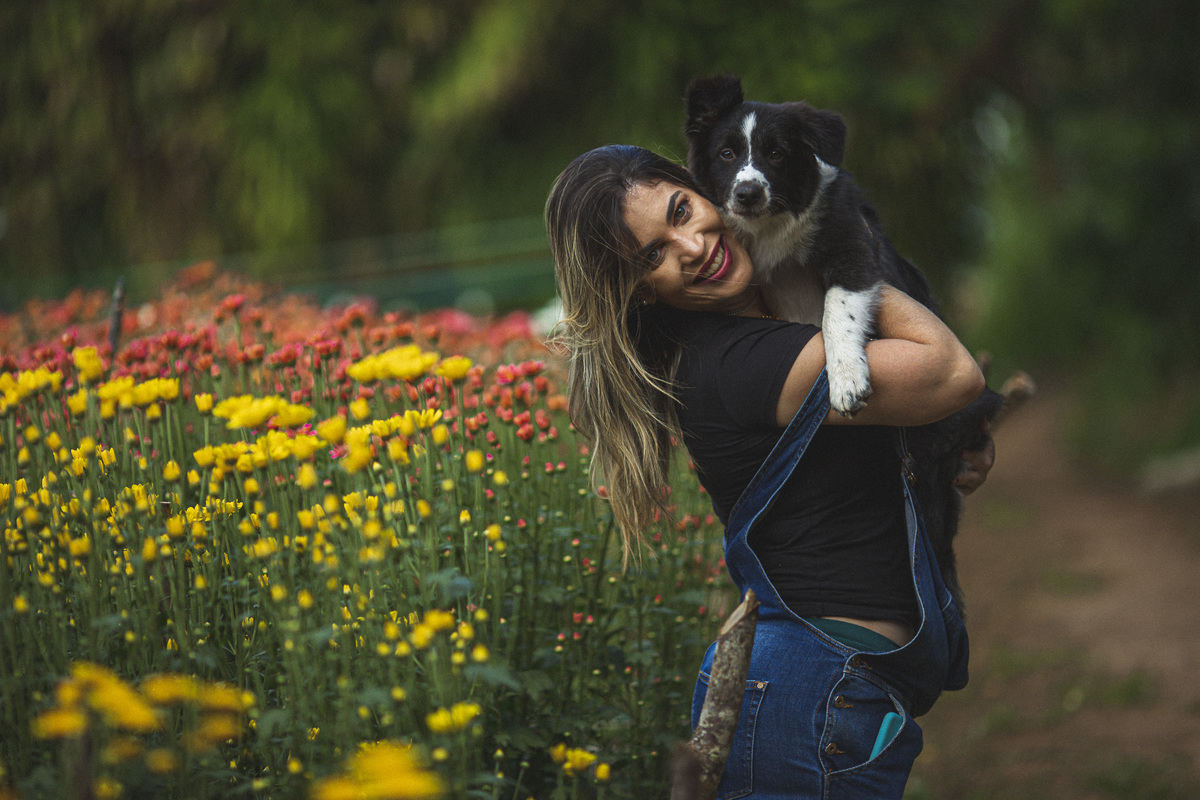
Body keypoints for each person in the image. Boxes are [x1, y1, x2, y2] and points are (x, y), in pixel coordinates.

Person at [545, 144, 989, 799]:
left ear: (706, 189)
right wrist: (824, 243)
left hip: (829, 692)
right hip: (814, 695)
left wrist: (953, 443)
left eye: (682, 210)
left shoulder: (767, 330)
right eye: (653, 255)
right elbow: (951, 373)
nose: (691, 246)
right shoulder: (743, 363)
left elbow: (933, 406)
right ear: (641, 289)